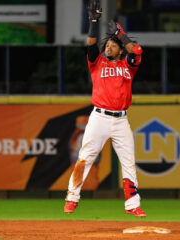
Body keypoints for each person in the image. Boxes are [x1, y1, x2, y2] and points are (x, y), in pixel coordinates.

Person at [64, 0, 146, 217]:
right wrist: (93, 22)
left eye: (112, 45)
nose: (108, 46)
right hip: (99, 117)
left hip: (121, 120)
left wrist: (120, 34)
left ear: (120, 49)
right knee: (85, 156)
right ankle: (72, 197)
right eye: (107, 45)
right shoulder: (97, 63)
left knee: (128, 161)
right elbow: (91, 45)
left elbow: (137, 50)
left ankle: (132, 204)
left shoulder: (127, 65)